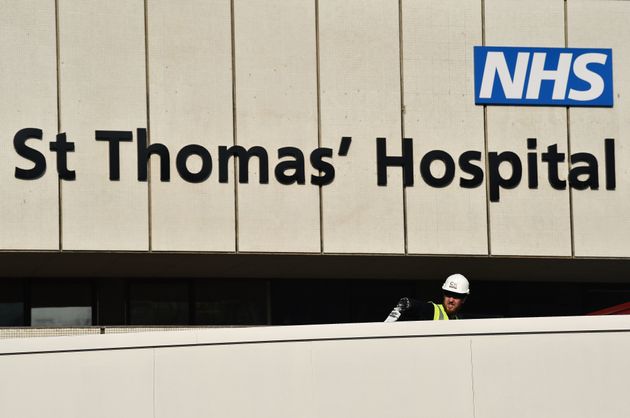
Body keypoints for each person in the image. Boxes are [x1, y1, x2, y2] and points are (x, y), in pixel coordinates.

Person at [384, 273, 470, 321]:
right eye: (448, 294)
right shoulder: (433, 310)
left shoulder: (458, 319)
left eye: (456, 296)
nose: (451, 300)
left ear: (464, 299)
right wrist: (386, 328)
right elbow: (405, 302)